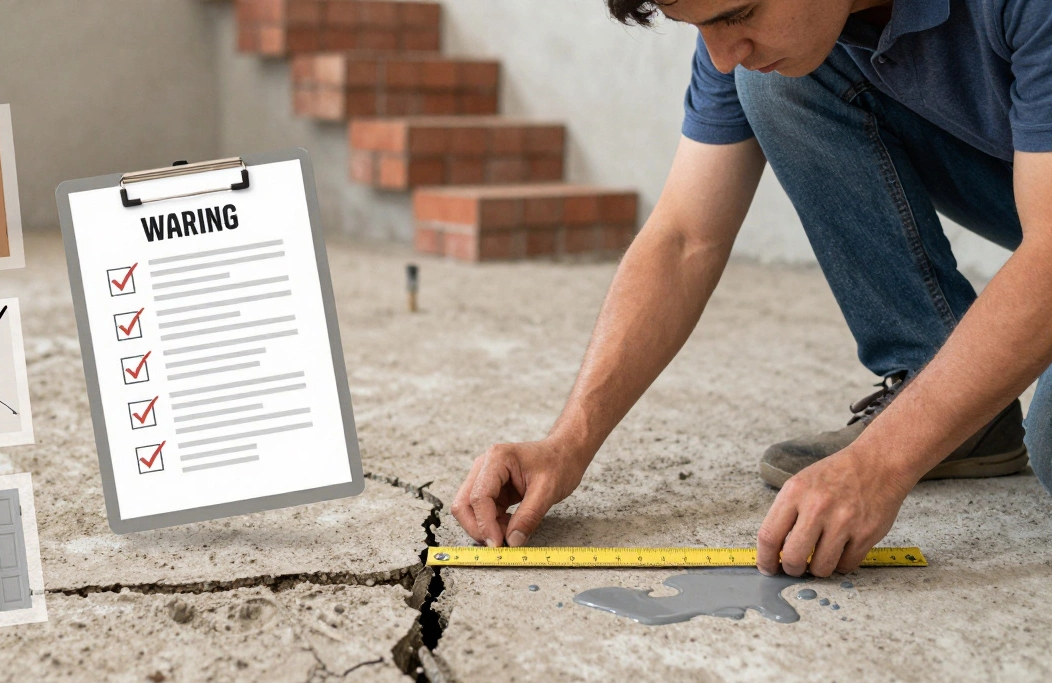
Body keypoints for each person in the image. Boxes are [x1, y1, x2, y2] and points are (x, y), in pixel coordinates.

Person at [450, 0, 1052, 578]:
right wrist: (567, 444)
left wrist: (880, 463)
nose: (720, 56)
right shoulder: (768, 44)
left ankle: (942, 417)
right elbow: (685, 237)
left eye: (738, 15)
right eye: (703, 26)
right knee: (777, 79)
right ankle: (956, 409)